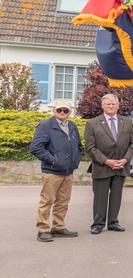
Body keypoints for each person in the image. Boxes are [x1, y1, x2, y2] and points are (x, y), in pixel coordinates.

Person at [29, 100, 82, 242]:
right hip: (52, 172)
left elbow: (78, 146)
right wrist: (54, 161)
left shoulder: (72, 126)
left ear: (70, 112)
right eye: (60, 110)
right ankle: (43, 229)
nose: (62, 113)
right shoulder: (46, 125)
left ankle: (58, 227)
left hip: (68, 171)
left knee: (63, 202)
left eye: (66, 111)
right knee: (47, 201)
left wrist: (76, 160)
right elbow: (36, 148)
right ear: (54, 111)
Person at [84, 93, 133, 235]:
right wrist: (107, 161)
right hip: (102, 166)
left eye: (114, 104)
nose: (111, 106)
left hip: (121, 165)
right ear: (102, 106)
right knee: (100, 197)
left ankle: (113, 222)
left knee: (116, 196)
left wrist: (125, 159)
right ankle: (98, 223)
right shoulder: (92, 123)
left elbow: (132, 144)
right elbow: (90, 147)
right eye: (108, 104)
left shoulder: (127, 122)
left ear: (118, 105)